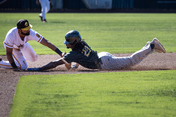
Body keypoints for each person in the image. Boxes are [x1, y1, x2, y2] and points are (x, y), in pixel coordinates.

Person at [27, 30, 166, 71]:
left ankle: (151, 46)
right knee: (128, 62)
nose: (66, 45)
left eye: (68, 43)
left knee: (131, 61)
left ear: (74, 42)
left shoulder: (73, 53)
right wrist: (74, 64)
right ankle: (149, 46)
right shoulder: (81, 44)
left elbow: (53, 64)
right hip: (102, 56)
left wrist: (38, 69)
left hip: (105, 63)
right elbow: (80, 58)